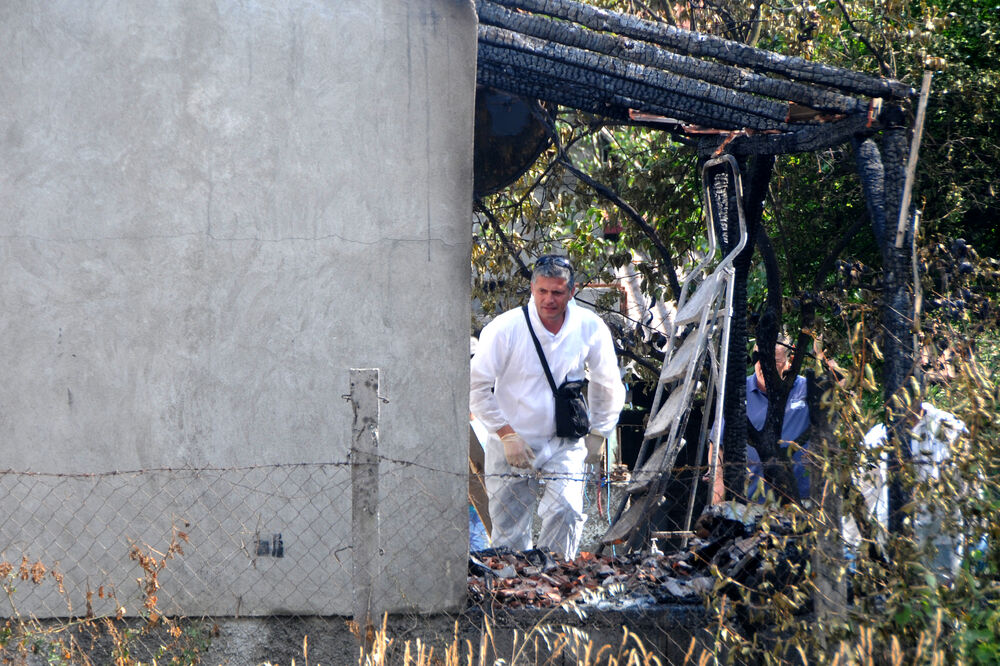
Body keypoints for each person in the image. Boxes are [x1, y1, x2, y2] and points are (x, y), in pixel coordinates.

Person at [469, 255, 625, 559]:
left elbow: (608, 383)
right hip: (512, 441)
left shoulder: (589, 327)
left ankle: (554, 580)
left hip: (562, 442)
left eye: (557, 292)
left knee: (565, 512)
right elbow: (476, 387)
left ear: (571, 291)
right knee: (509, 532)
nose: (549, 299)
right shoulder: (505, 328)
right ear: (532, 288)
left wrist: (598, 433)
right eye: (542, 291)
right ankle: (513, 595)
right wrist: (506, 434)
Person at [745, 340, 810, 501]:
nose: (764, 366)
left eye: (774, 361)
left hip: (800, 500)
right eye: (759, 359)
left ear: (790, 361)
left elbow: (841, 391)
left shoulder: (807, 389)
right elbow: (719, 440)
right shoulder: (739, 390)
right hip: (753, 500)